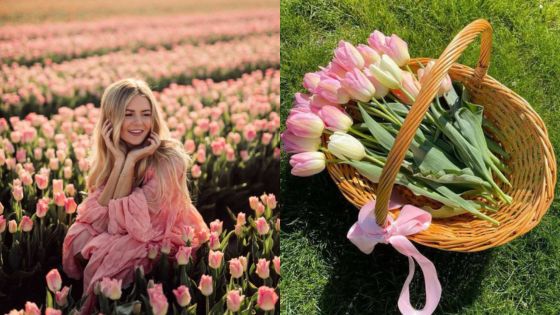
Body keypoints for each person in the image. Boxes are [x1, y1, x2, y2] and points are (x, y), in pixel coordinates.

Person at [62, 78, 209, 311]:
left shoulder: (169, 159)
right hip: (128, 228)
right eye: (129, 114)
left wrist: (129, 162)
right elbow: (95, 215)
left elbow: (122, 225)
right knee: (79, 234)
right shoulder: (114, 155)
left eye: (145, 114)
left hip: (159, 236)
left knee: (109, 254)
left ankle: (111, 303)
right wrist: (122, 161)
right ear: (112, 120)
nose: (138, 122)